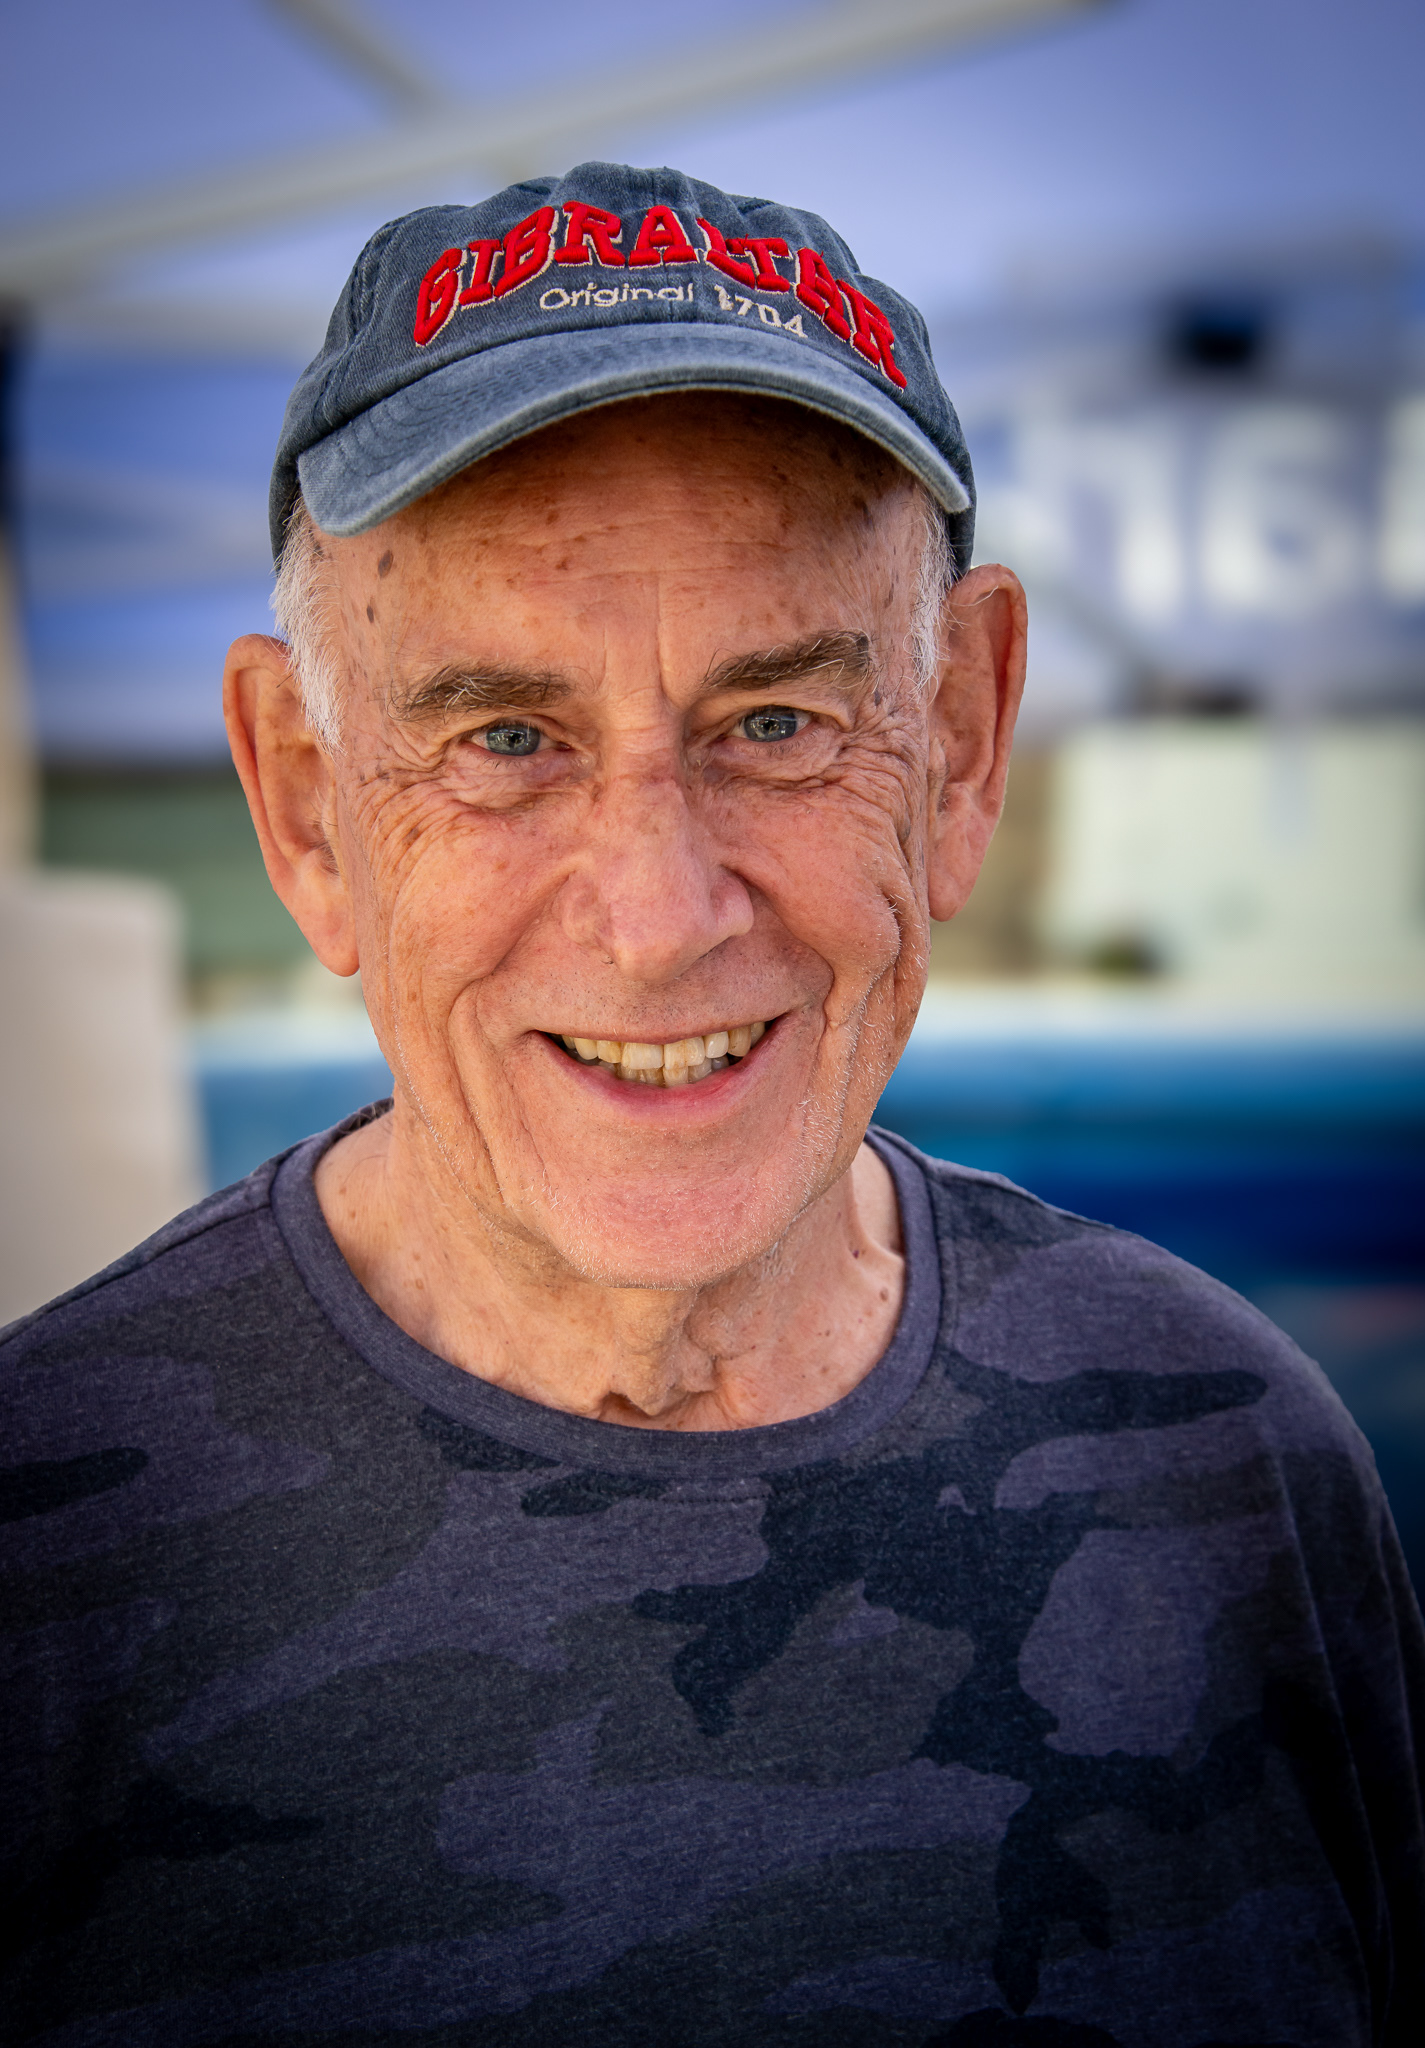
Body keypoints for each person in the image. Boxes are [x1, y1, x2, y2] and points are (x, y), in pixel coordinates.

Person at [2, 163, 1421, 2048]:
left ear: (962, 746)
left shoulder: (1235, 1462)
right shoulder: (42, 1553)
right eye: (505, 740)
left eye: (774, 725)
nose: (661, 916)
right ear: (303, 806)